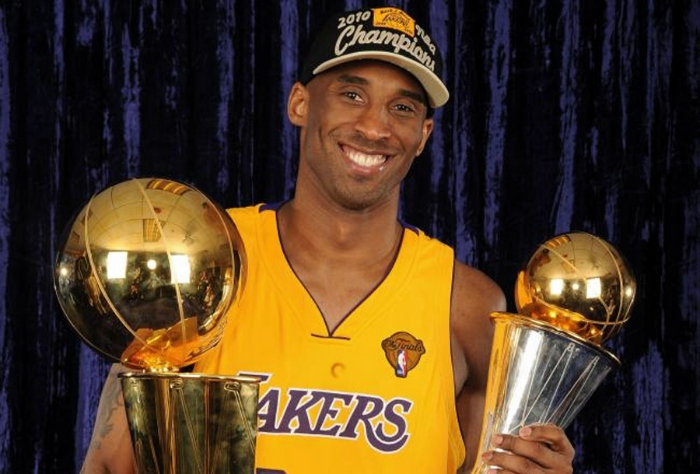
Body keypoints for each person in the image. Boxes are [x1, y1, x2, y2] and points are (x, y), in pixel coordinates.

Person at [81, 6, 575, 473]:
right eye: (352, 95)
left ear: (423, 135)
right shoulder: (204, 260)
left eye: (402, 107)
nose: (375, 127)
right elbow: (108, 466)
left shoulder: (465, 305)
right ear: (300, 103)